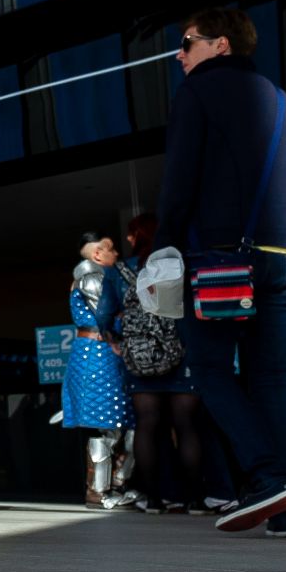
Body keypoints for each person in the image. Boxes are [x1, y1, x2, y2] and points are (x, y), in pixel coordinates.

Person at [155, 7, 286, 533]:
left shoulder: (198, 92)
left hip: (221, 258)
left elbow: (179, 178)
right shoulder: (285, 103)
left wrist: (164, 247)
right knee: (271, 376)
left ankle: (267, 479)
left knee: (208, 368)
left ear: (221, 44)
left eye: (187, 42)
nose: (179, 55)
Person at [118, 215, 206, 513]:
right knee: (186, 425)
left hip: (141, 357)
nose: (128, 240)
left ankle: (153, 499)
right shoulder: (180, 264)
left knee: (147, 425)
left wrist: (121, 338)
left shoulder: (121, 270)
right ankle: (194, 498)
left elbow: (105, 314)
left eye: (131, 234)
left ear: (141, 235)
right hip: (181, 352)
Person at [67, 234, 138, 510]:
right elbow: (107, 316)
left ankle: (114, 484)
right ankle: (99, 489)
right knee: (106, 425)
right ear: (97, 254)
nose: (117, 254)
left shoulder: (94, 276)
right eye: (111, 249)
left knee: (121, 424)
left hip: (104, 353)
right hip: (99, 353)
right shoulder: (94, 278)